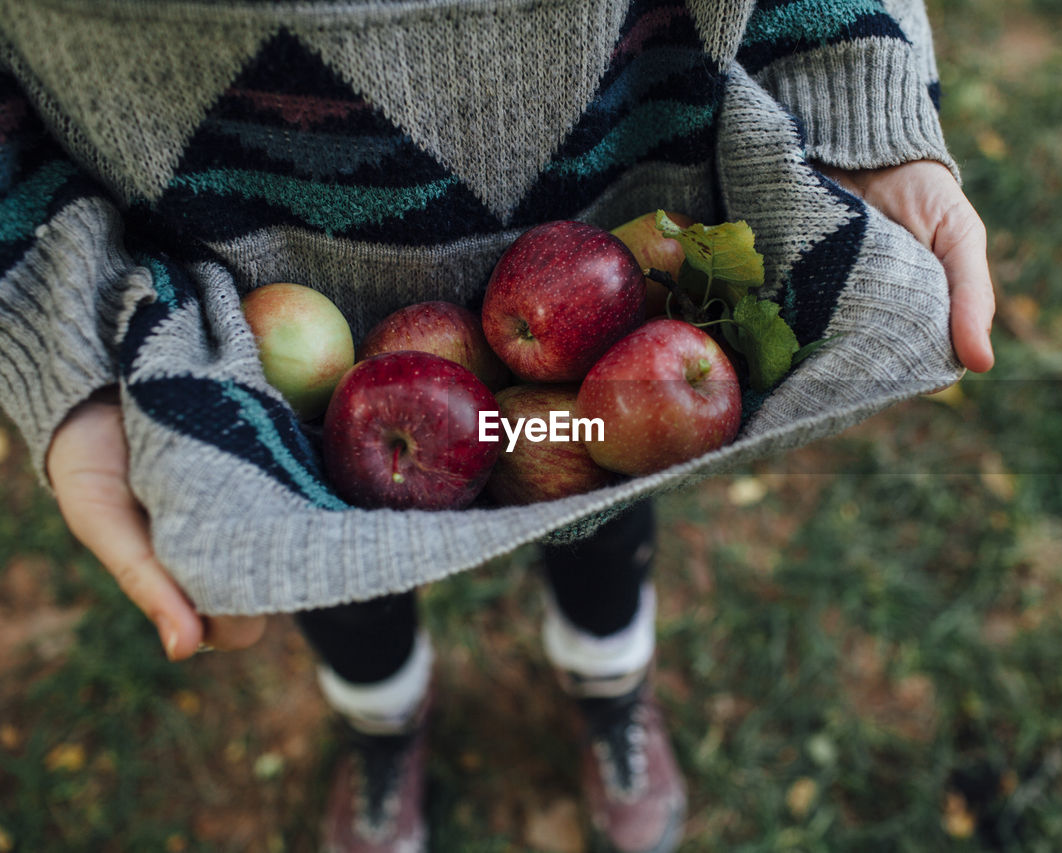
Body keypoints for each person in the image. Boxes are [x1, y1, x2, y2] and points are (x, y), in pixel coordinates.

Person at [3, 0, 994, 850]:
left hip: (599, 245)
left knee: (597, 499)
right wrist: (51, 302)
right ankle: (383, 724)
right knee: (341, 560)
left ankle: (609, 691)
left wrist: (857, 79)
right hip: (278, 344)